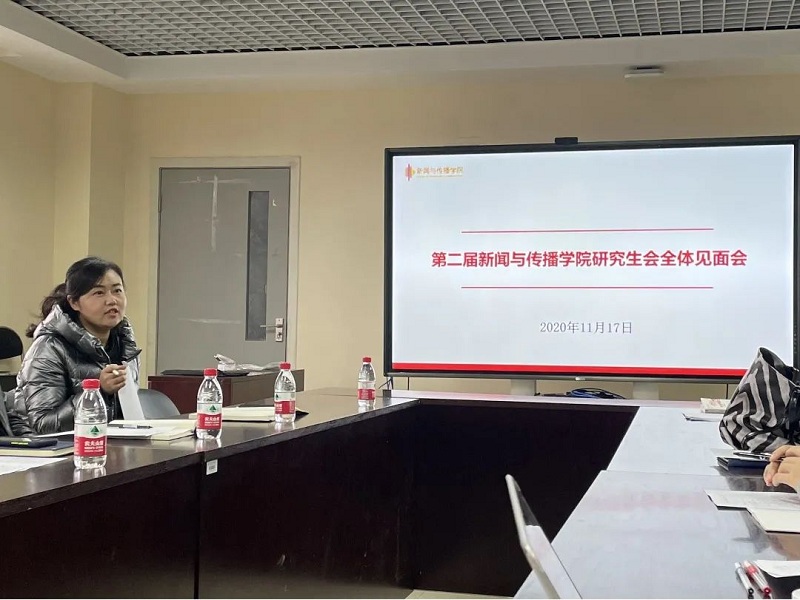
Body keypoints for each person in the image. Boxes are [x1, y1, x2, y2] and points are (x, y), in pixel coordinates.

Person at [15, 256, 140, 434]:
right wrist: (97, 391)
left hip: (106, 442)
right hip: (53, 447)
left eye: (117, 290)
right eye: (99, 293)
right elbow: (43, 425)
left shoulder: (125, 343)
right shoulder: (49, 348)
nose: (112, 300)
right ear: (74, 303)